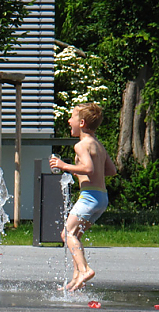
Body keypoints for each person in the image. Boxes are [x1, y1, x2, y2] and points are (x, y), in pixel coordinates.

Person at [49, 102, 117, 291]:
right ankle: (76, 277)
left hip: (89, 197)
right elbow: (111, 171)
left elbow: (88, 168)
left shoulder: (81, 145)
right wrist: (82, 174)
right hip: (101, 198)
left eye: (72, 117)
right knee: (75, 236)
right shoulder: (98, 145)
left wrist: (64, 166)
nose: (69, 120)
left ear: (82, 123)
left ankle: (85, 269)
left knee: (67, 234)